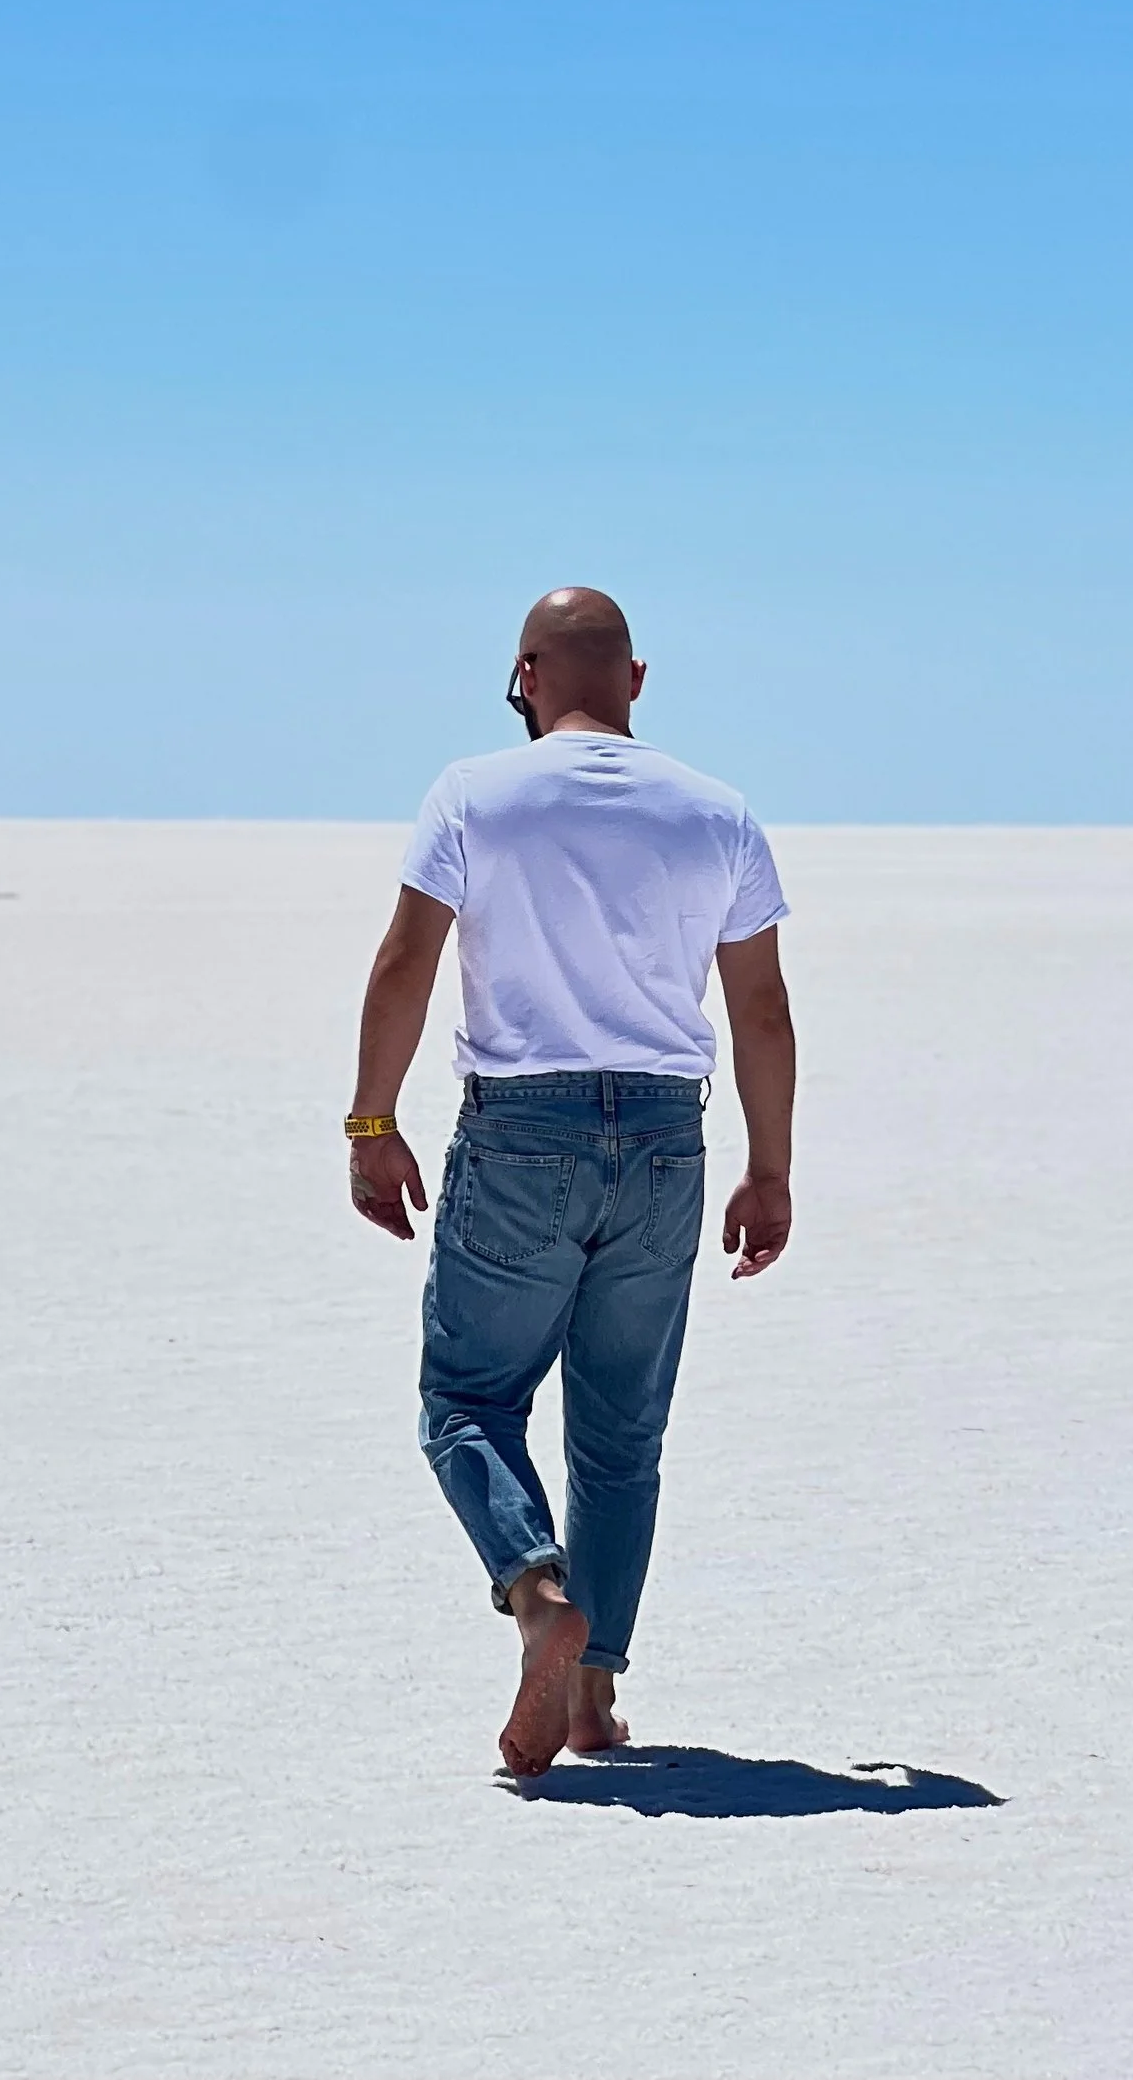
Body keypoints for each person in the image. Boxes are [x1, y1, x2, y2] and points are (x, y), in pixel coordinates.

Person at [345, 586, 797, 1778]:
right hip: (664, 1139)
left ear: (524, 675)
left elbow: (404, 962)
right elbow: (759, 1007)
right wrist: (771, 1168)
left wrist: (371, 1121)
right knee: (620, 1437)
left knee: (468, 1402)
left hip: (520, 1135)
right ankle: (594, 1705)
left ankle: (538, 1593)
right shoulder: (717, 814)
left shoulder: (473, 793)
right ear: (636, 681)